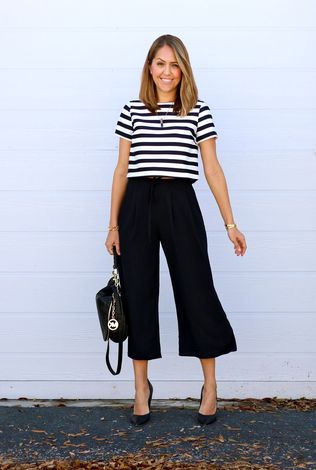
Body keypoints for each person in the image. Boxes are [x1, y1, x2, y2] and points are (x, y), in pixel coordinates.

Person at [105, 34, 247, 426]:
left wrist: (230, 224)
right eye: (160, 63)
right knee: (138, 292)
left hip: (180, 202)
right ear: (149, 67)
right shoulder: (132, 110)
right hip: (137, 204)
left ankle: (210, 386)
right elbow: (121, 169)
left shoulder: (198, 111)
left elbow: (212, 168)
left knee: (195, 289)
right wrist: (113, 224)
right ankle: (141, 388)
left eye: (174, 65)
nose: (166, 72)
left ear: (183, 70)